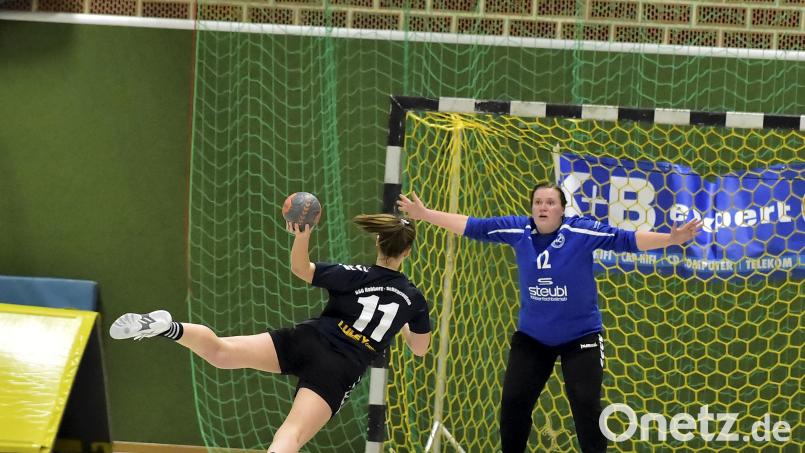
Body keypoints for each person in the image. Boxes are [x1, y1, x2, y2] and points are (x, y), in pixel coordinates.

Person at [398, 183, 702, 453]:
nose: (543, 207)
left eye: (550, 202)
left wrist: (671, 239)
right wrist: (425, 214)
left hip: (580, 337)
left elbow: (627, 239)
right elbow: (473, 226)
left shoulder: (581, 232)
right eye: (538, 202)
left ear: (562, 209)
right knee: (513, 404)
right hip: (533, 339)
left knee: (585, 404)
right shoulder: (518, 230)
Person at [110, 214, 432, 453]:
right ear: (407, 252)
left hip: (309, 339)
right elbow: (419, 348)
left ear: (378, 241)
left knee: (221, 353)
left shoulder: (355, 274)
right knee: (290, 434)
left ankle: (169, 327)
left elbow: (301, 269)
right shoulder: (413, 300)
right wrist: (402, 324)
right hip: (339, 368)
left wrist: (302, 234)